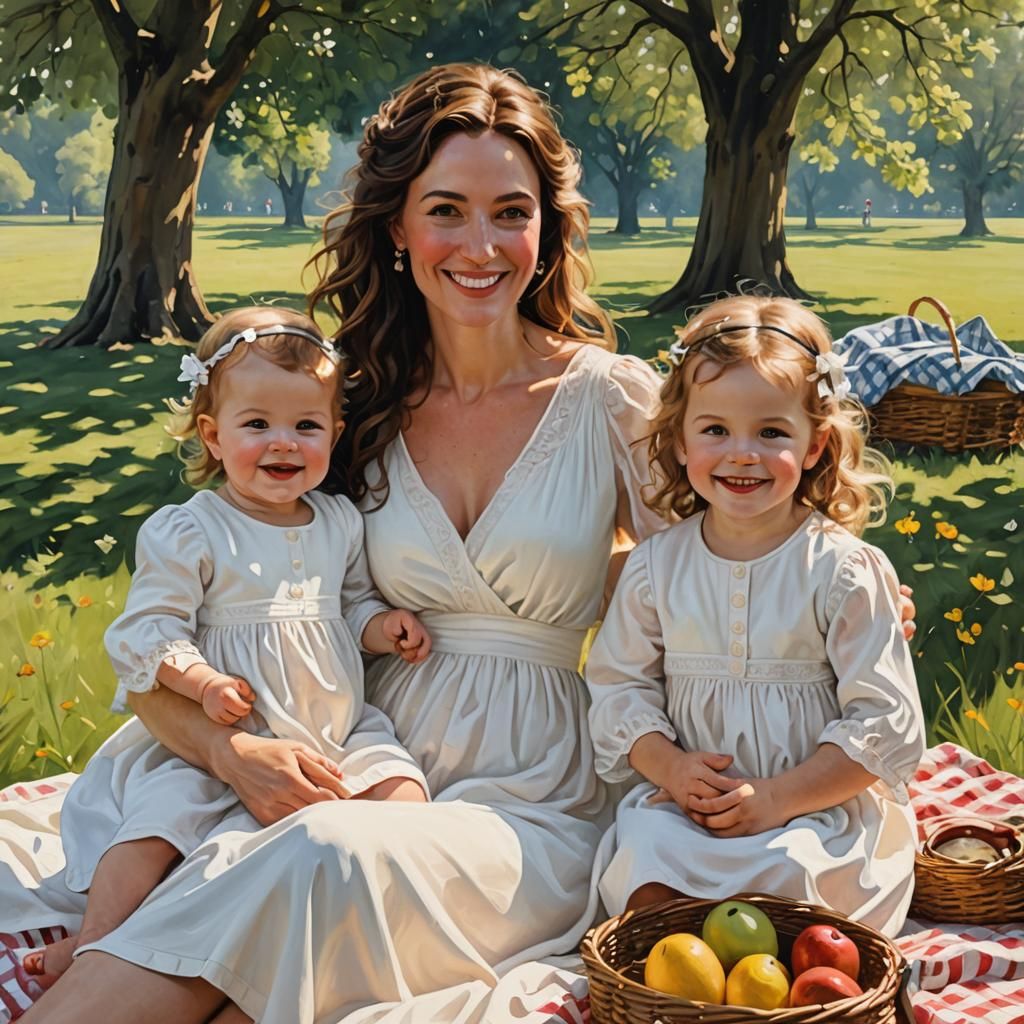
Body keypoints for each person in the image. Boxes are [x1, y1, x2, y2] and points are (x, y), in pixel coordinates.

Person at [3, 65, 915, 1024]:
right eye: (447, 210)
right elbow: (197, 615)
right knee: (267, 896)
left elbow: (715, 562)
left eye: (510, 213)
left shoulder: (610, 397)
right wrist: (234, 757)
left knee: (323, 861)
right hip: (366, 758)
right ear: (397, 228)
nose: (480, 247)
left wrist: (840, 596)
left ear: (545, 230)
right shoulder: (342, 411)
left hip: (538, 800)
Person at [21, 305, 432, 986]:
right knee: (159, 824)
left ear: (334, 431)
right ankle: (96, 940)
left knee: (401, 790)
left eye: (306, 426)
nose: (283, 443)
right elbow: (148, 631)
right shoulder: (194, 530)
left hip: (333, 724)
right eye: (256, 425)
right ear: (212, 436)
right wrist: (201, 681)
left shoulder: (338, 521)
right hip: (226, 734)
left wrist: (381, 628)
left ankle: (366, 920)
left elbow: (350, 600)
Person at [586, 295, 925, 937]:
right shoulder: (657, 566)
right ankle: (672, 974)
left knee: (795, 872)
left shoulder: (844, 569)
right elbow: (618, 689)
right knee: (647, 847)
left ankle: (785, 978)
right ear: (681, 442)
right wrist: (671, 770)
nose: (742, 453)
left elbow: (885, 720)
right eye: (714, 430)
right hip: (694, 806)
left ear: (817, 444)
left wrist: (779, 799)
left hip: (811, 807)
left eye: (772, 432)